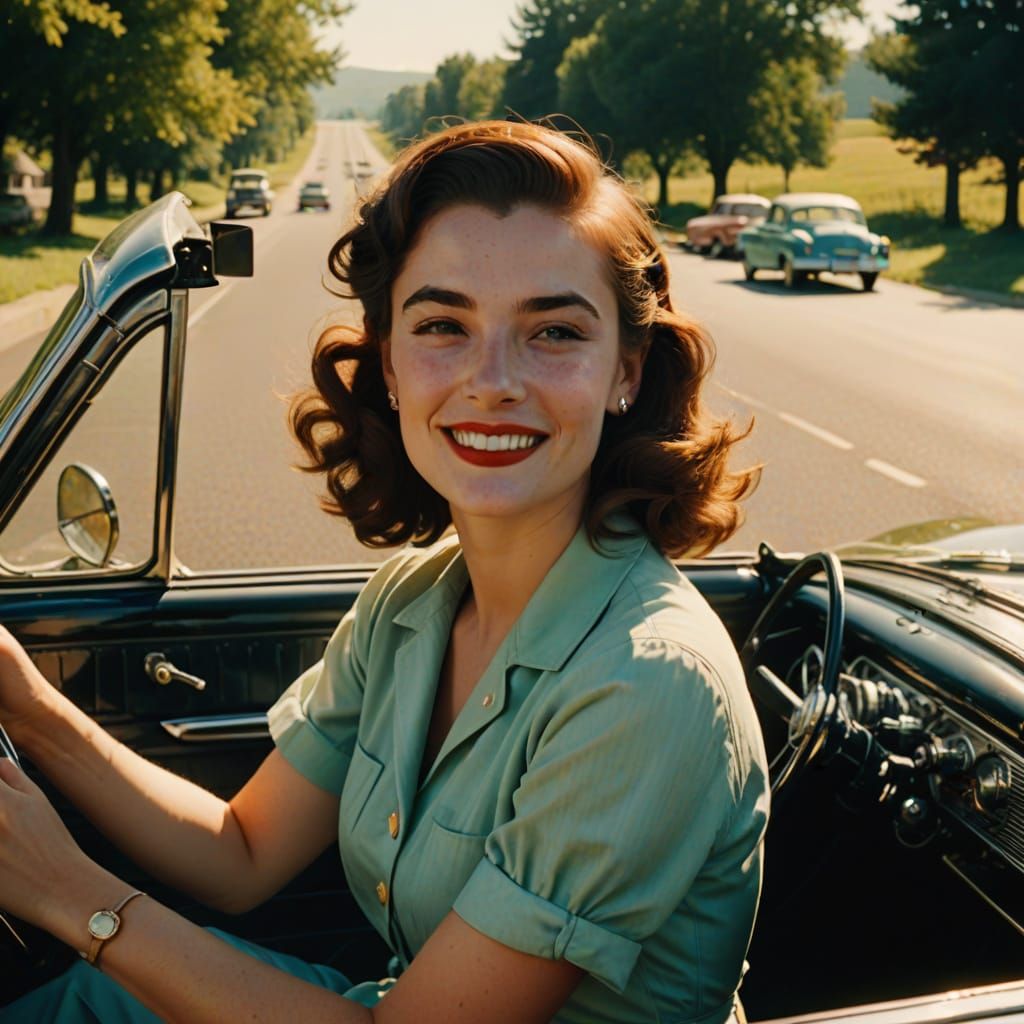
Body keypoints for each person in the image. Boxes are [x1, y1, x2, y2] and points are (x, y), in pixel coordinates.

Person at [0, 120, 768, 1023]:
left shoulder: (646, 683)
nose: (492, 381)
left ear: (624, 374)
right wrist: (29, 707)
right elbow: (241, 852)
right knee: (83, 1001)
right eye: (443, 324)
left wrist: (66, 893)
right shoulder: (415, 599)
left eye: (554, 332)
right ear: (392, 364)